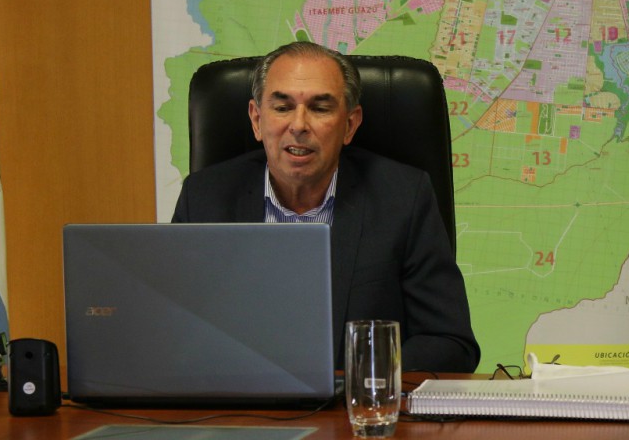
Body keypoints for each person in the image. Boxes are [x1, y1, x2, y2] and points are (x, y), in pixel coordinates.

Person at [172, 41, 480, 373]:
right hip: (241, 400)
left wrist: (358, 376)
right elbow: (171, 332)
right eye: (282, 107)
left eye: (320, 108)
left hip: (355, 401)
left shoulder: (403, 198)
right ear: (257, 120)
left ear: (350, 124)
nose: (299, 125)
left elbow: (450, 342)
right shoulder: (204, 199)